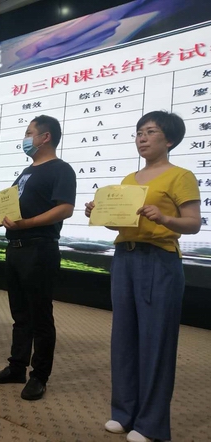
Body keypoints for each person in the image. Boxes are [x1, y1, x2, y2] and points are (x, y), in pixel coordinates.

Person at [85, 111, 201, 442]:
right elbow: (120, 224)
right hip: (125, 258)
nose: (142, 138)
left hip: (159, 261)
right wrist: (99, 213)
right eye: (139, 132)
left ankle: (150, 424)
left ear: (170, 140)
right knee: (123, 338)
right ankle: (123, 414)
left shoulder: (181, 176)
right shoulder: (128, 179)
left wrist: (164, 218)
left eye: (151, 132)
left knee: (156, 341)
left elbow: (193, 223)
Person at [0, 115, 76, 402]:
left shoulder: (61, 169)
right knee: (20, 314)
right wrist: (1, 217)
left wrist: (26, 223)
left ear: (45, 137)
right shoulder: (26, 171)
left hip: (39, 248)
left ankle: (39, 376)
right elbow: (15, 206)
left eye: (28, 133)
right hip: (15, 247)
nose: (25, 138)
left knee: (40, 316)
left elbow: (65, 209)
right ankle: (16, 367)